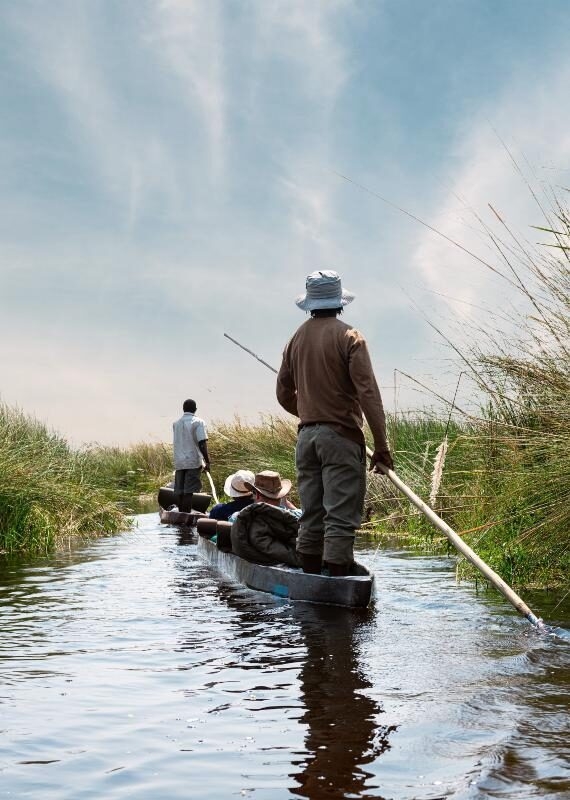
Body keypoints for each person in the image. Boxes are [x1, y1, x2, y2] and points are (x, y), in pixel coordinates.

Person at [276, 270, 394, 576]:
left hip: (307, 439)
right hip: (341, 439)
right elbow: (369, 395)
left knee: (312, 513)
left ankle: (310, 580)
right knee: (340, 516)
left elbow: (283, 393)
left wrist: (310, 413)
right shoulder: (351, 337)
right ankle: (338, 582)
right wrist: (381, 448)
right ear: (339, 301)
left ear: (311, 303)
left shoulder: (295, 340)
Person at [172, 399, 211, 512]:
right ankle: (186, 517)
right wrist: (207, 462)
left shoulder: (176, 424)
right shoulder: (198, 422)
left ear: (183, 409)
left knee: (180, 491)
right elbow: (202, 443)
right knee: (188, 492)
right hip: (193, 461)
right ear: (195, 409)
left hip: (179, 462)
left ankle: (180, 515)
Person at [227, 470, 301, 523]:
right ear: (282, 494)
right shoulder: (298, 516)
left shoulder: (238, 517)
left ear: (257, 495)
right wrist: (287, 503)